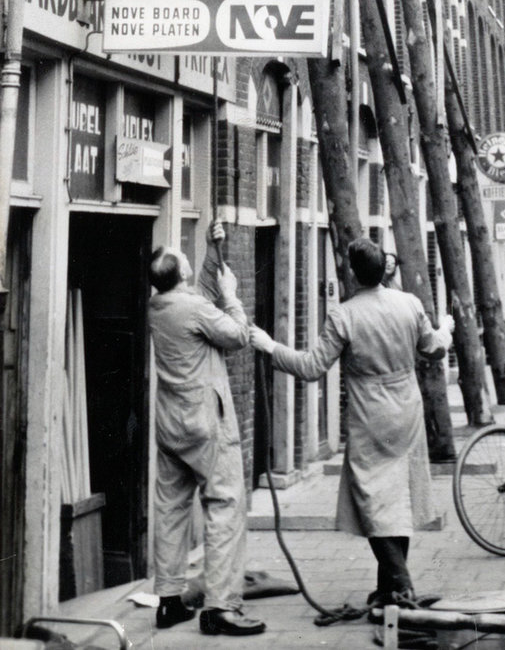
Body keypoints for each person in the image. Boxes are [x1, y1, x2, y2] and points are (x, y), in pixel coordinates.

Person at [250, 237, 454, 608]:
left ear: (352, 272)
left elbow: (312, 367)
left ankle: (402, 586)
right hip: (407, 410)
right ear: (384, 270)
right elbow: (434, 348)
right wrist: (449, 329)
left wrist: (270, 347)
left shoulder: (344, 315)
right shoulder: (409, 303)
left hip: (371, 416)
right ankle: (389, 590)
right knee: (398, 500)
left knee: (373, 501)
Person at [149, 223, 265, 637]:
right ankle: (220, 607)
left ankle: (167, 601)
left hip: (169, 424)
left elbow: (197, 292)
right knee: (225, 506)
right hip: (206, 424)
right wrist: (232, 295)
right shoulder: (194, 309)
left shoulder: (159, 305)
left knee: (171, 510)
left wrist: (213, 251)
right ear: (180, 276)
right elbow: (236, 336)